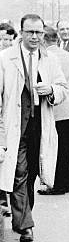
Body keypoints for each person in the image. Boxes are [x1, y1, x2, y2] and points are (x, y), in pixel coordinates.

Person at [0, 14, 67, 242]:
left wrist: (50, 89)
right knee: (19, 173)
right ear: (21, 33)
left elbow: (62, 89)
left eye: (39, 32)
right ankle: (25, 226)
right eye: (30, 32)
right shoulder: (5, 59)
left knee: (33, 176)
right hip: (15, 127)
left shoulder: (49, 59)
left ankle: (22, 219)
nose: (35, 37)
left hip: (40, 125)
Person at [38, 26, 69, 195]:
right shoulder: (68, 55)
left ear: (44, 39)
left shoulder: (48, 57)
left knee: (57, 148)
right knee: (68, 147)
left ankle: (58, 184)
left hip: (58, 109)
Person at [0, 23, 17, 215]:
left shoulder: (13, 59)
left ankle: (5, 200)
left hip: (9, 117)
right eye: (1, 39)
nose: (4, 43)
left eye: (8, 39)